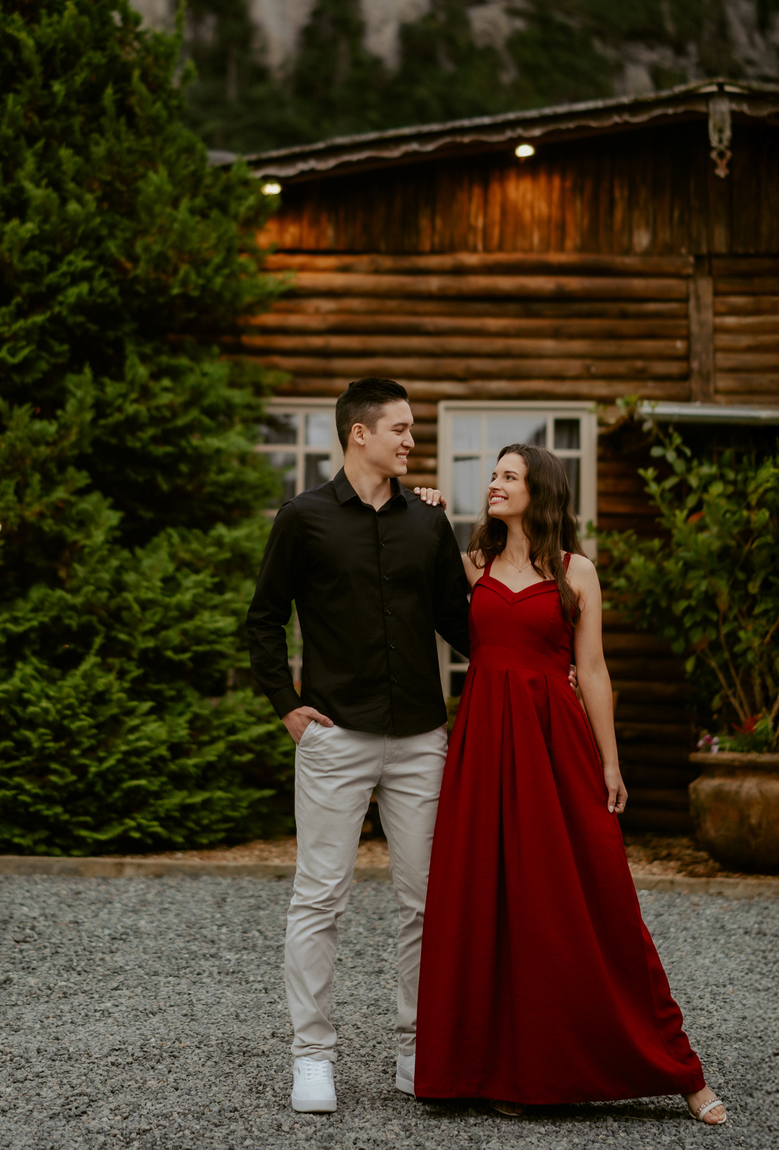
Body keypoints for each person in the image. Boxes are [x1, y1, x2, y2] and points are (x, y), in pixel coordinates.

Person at [415, 444, 727, 1126]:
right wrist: (427, 509)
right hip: (483, 745)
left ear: (542, 490)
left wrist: (610, 762)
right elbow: (409, 571)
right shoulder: (474, 564)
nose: (494, 484)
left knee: (593, 891)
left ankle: (679, 1069)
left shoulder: (576, 571)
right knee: (487, 898)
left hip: (555, 743)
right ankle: (500, 1071)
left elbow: (593, 671)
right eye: (493, 475)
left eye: (509, 476)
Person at [245, 378, 469, 1114]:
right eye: (400, 428)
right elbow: (263, 619)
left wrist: (534, 661)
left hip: (420, 739)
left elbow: (460, 621)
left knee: (427, 903)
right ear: (359, 434)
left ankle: (417, 1051)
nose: (412, 440)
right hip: (335, 737)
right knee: (319, 899)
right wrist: (288, 707)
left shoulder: (428, 522)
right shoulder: (303, 518)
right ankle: (312, 1057)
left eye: (412, 429)